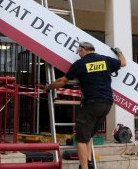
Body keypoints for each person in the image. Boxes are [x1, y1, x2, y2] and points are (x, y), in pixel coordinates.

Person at [46, 41, 126, 169]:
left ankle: (84, 168)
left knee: (80, 139)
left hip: (92, 104)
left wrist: (49, 86)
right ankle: (89, 163)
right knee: (88, 135)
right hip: (107, 104)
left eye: (79, 52)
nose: (79, 55)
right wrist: (119, 52)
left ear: (83, 50)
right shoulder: (105, 60)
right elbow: (123, 63)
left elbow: (63, 81)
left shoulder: (80, 63)